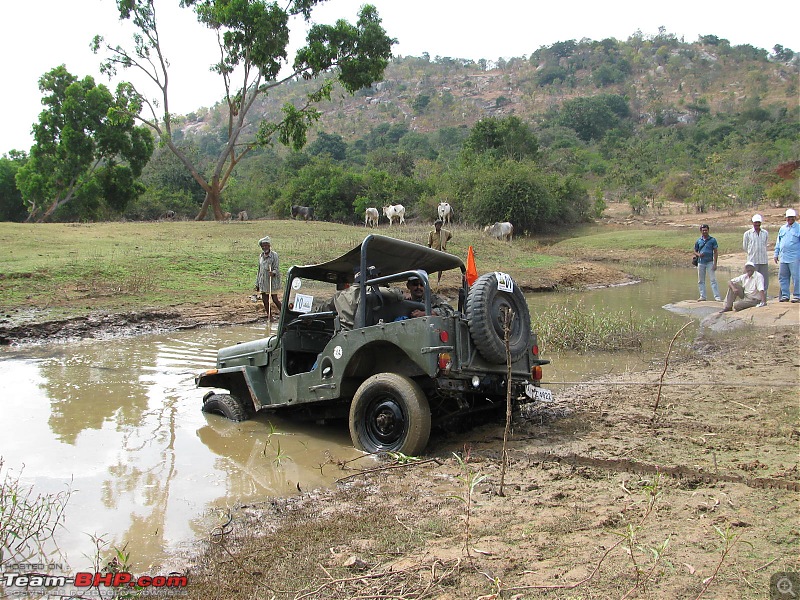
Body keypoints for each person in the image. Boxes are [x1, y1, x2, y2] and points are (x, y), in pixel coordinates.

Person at [773, 208, 800, 302]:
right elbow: (778, 242)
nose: (790, 219)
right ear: (786, 218)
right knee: (783, 277)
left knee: (796, 277)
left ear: (795, 218)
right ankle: (785, 295)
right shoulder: (782, 228)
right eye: (788, 217)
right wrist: (776, 254)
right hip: (783, 257)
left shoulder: (799, 228)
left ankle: (797, 295)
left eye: (792, 217)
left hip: (795, 257)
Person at [255, 236, 282, 320]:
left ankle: (284, 313)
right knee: (265, 300)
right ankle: (270, 317)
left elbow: (276, 268)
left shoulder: (274, 255)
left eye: (266, 245)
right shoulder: (261, 256)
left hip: (272, 281)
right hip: (263, 281)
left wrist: (273, 273)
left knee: (274, 299)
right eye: (263, 246)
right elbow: (259, 270)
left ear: (269, 245)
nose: (264, 247)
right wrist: (257, 283)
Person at [742, 213, 769, 295]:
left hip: (763, 260)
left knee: (764, 280)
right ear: (752, 223)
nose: (757, 224)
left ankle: (764, 297)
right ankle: (752, 296)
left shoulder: (765, 233)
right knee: (752, 280)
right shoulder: (747, 234)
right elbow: (745, 247)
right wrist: (751, 253)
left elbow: (765, 244)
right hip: (752, 261)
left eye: (758, 222)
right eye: (755, 222)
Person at [694, 224, 721, 301]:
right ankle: (703, 296)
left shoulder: (712, 240)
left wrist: (715, 263)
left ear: (708, 230)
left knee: (713, 280)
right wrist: (699, 254)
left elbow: (715, 252)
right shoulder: (698, 241)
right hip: (701, 262)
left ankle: (717, 297)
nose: (704, 232)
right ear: (701, 231)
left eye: (706, 230)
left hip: (710, 262)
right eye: (703, 230)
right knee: (701, 280)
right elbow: (695, 251)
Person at [427, 219, 452, 283]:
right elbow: (429, 243)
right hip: (434, 251)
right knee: (430, 266)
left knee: (440, 267)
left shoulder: (444, 232)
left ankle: (438, 281)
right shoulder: (432, 233)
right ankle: (427, 279)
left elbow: (450, 235)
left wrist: (445, 241)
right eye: (437, 225)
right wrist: (428, 252)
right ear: (435, 226)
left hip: (441, 251)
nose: (439, 227)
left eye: (440, 225)